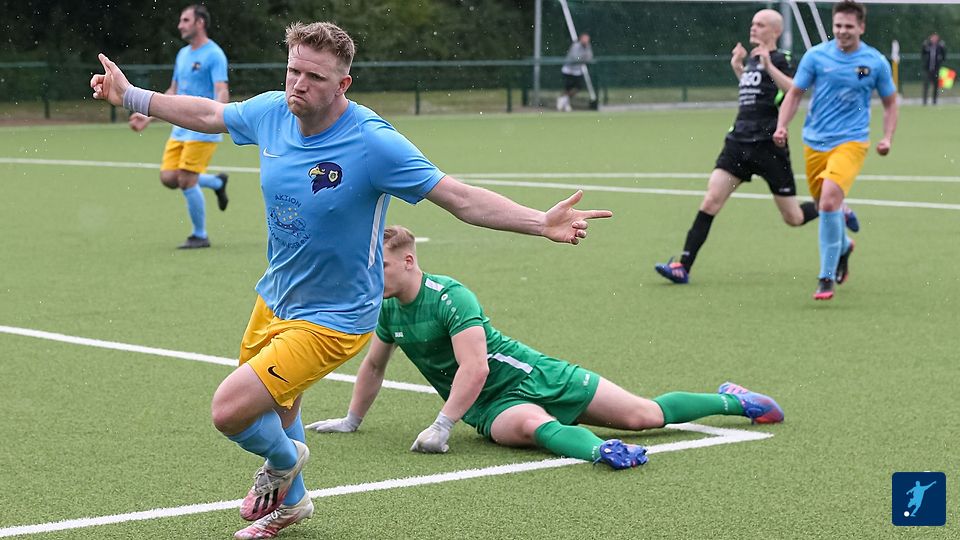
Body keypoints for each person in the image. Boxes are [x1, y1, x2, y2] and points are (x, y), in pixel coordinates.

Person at [91, 21, 612, 540]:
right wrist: (131, 96)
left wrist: (539, 222)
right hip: (275, 296)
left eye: (315, 77)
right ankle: (293, 505)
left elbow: (459, 198)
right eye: (293, 71)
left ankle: (284, 461)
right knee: (280, 403)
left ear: (343, 84)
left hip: (336, 317)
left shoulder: (372, 142)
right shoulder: (272, 112)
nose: (298, 84)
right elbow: (209, 114)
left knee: (230, 411)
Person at [307, 225, 783, 469]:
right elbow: (373, 367)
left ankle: (732, 400)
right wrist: (352, 420)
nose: (371, 278)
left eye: (380, 268)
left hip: (532, 373)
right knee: (533, 426)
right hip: (491, 406)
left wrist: (441, 426)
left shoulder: (450, 296)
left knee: (645, 416)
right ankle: (603, 451)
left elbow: (475, 368)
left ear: (408, 260)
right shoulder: (387, 309)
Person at [654, 9, 859, 285]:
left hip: (769, 146)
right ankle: (683, 266)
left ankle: (833, 209)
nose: (753, 28)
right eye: (753, 23)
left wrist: (769, 65)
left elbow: (794, 90)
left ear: (775, 31)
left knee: (794, 217)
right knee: (711, 200)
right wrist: (739, 67)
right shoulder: (753, 59)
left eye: (760, 24)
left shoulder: (782, 59)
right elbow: (755, 92)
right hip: (738, 142)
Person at [774, 0, 898, 300]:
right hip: (815, 141)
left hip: (852, 141)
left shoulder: (875, 62)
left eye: (849, 26)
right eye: (838, 26)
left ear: (861, 27)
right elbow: (795, 93)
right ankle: (843, 246)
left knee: (829, 202)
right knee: (824, 206)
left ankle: (825, 277)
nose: (842, 31)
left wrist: (887, 137)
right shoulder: (816, 56)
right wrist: (782, 125)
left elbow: (890, 103)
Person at [128, 4, 230, 249]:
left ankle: (200, 235)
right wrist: (147, 115)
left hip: (203, 127)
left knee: (186, 179)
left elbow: (222, 90)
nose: (180, 25)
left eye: (185, 20)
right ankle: (216, 183)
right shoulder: (182, 54)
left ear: (200, 23)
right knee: (168, 177)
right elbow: (173, 91)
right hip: (180, 128)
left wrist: (220, 117)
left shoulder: (214, 54)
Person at [556, 33, 592, 112]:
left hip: (577, 71)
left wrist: (584, 58)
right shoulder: (576, 46)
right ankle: (564, 102)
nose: (586, 41)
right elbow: (576, 58)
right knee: (567, 88)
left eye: (587, 39)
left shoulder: (587, 46)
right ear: (581, 39)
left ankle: (563, 100)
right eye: (585, 39)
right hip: (568, 69)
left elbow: (589, 57)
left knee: (578, 87)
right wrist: (584, 57)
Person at [921, 33, 946, 106]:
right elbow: (922, 55)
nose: (934, 39)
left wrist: (943, 48)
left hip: (936, 69)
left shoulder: (939, 47)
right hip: (928, 69)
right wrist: (924, 46)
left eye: (935, 38)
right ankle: (925, 101)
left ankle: (934, 101)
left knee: (936, 85)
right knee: (926, 85)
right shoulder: (927, 46)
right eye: (933, 37)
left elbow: (944, 56)